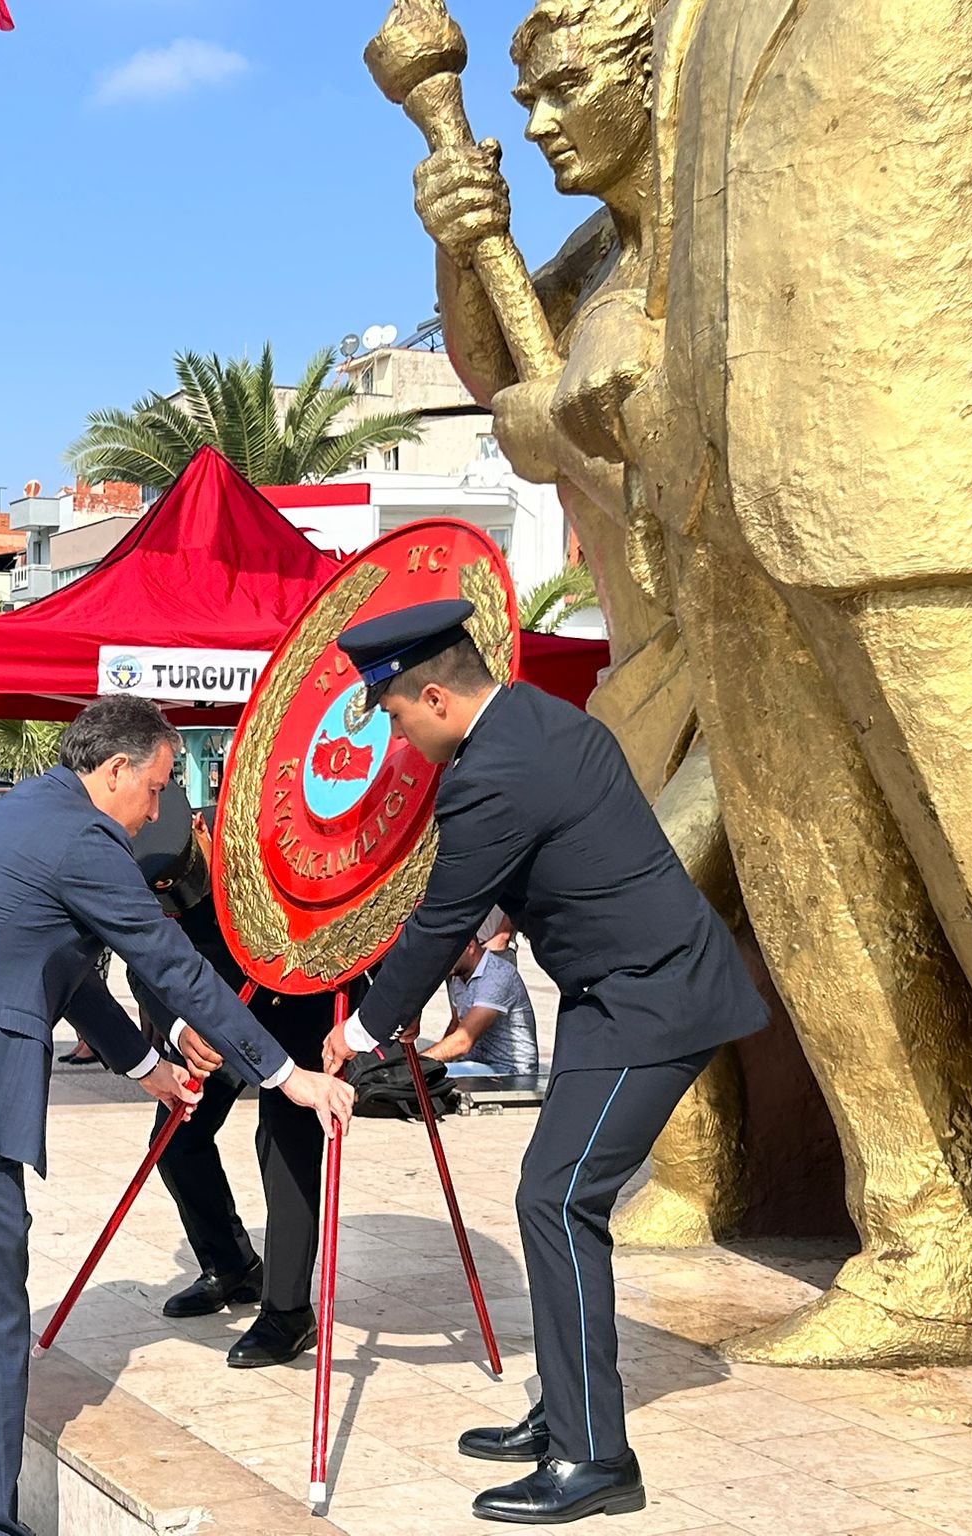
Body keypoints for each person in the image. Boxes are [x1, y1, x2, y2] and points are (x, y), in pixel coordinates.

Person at [0, 694, 356, 1536]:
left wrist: (149, 1064)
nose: (160, 809)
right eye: (154, 787)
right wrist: (285, 1074)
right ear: (114, 772)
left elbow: (67, 972)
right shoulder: (83, 839)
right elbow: (171, 964)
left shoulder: (20, 816)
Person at [325, 600, 768, 1525]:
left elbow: (447, 916)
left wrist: (365, 1030)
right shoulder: (540, 719)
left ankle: (595, 1457)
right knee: (554, 1197)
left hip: (650, 1000)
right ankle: (567, 1411)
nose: (399, 737)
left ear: (437, 696)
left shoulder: (493, 774)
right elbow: (541, 873)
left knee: (558, 1200)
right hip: (620, 995)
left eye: (398, 717)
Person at [134, 794, 334, 1368]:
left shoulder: (269, 842)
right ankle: (231, 1265)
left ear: (201, 824)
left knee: (283, 1144)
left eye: (184, 872)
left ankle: (288, 1313)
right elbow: (143, 962)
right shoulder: (147, 873)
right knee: (174, 1139)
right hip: (216, 1021)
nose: (179, 890)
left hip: (293, 1007)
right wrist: (177, 1028)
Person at [423, 908, 540, 1080]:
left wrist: (421, 1063)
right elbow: (456, 1026)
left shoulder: (497, 975)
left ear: (470, 947)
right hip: (476, 1066)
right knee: (429, 1077)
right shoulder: (458, 976)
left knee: (429, 1078)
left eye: (448, 955)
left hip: (509, 1073)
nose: (443, 962)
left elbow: (463, 1041)